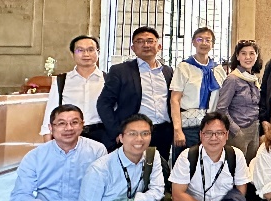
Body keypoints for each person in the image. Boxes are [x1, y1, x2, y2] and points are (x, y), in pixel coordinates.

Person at [97, 26, 174, 160]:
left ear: (159, 46)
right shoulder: (120, 71)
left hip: (163, 132)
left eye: (150, 41)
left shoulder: (168, 71)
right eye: (140, 41)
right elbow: (104, 103)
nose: (146, 45)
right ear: (133, 48)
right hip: (133, 133)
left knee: (160, 168)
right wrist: (116, 131)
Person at [40, 35, 106, 145]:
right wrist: (48, 143)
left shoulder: (108, 80)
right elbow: (50, 112)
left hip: (102, 135)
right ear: (73, 54)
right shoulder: (62, 81)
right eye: (80, 50)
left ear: (98, 52)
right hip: (69, 133)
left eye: (90, 50)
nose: (86, 54)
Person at [170, 26, 227, 151]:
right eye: (200, 39)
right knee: (187, 160)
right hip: (189, 126)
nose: (204, 43)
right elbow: (175, 99)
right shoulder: (184, 67)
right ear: (193, 42)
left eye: (208, 40)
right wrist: (177, 129)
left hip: (211, 126)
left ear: (212, 44)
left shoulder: (218, 69)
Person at [216, 39, 263, 163]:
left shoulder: (254, 79)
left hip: (254, 130)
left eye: (252, 53)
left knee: (250, 168)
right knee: (236, 168)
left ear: (256, 56)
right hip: (238, 131)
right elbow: (221, 109)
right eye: (243, 53)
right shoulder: (233, 79)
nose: (248, 57)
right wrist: (236, 130)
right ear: (237, 56)